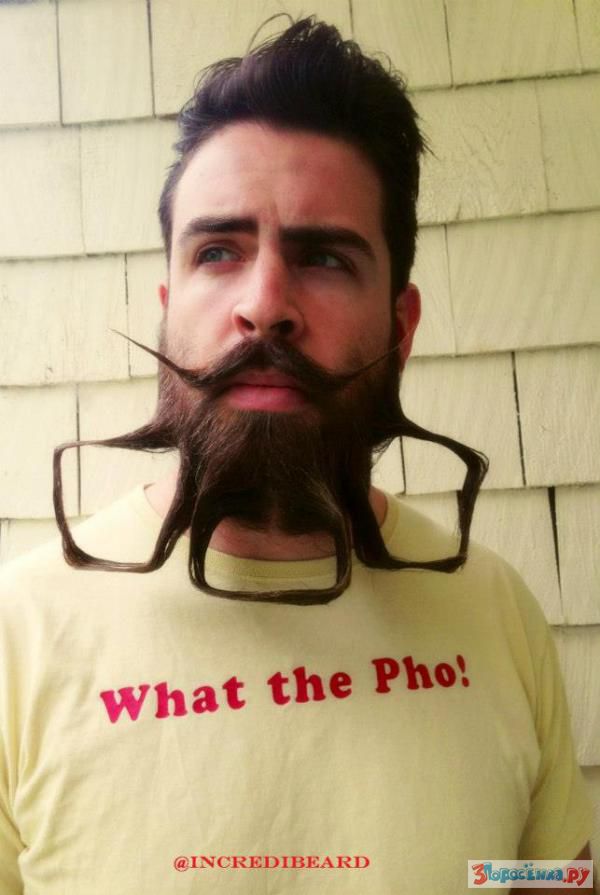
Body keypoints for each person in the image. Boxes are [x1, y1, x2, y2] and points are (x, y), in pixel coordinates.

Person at [0, 16, 594, 895]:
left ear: (400, 327)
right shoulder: (18, 634)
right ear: (168, 304)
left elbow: (551, 881)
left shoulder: (498, 612)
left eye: (324, 257)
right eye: (217, 251)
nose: (265, 304)